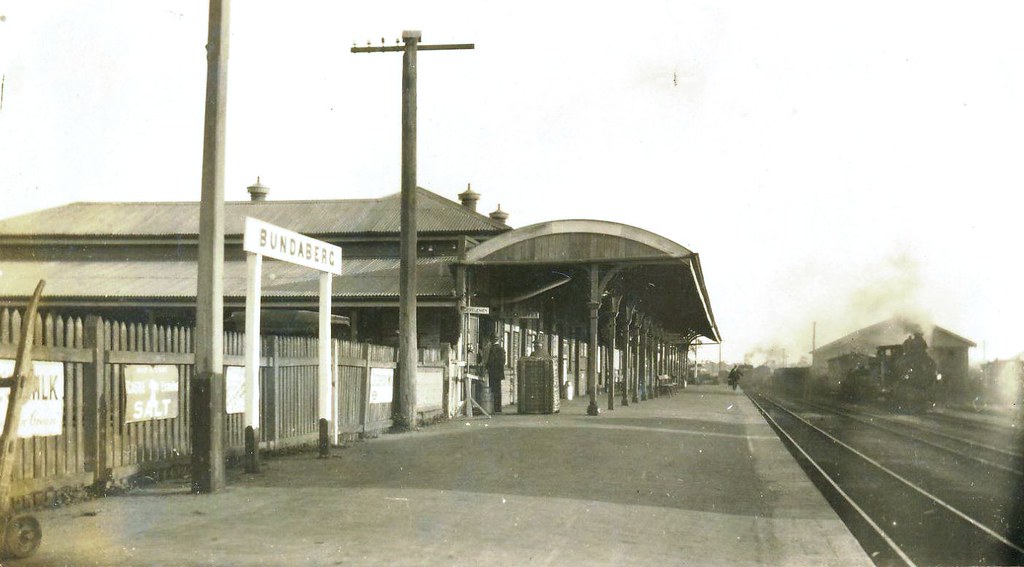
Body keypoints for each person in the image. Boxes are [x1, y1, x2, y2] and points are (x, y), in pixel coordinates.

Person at [485, 336, 506, 412]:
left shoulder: (494, 349)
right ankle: (497, 408)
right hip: (497, 372)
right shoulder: (500, 349)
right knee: (496, 390)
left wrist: (487, 365)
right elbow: (503, 361)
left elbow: (492, 360)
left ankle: (495, 407)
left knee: (494, 390)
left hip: (494, 372)